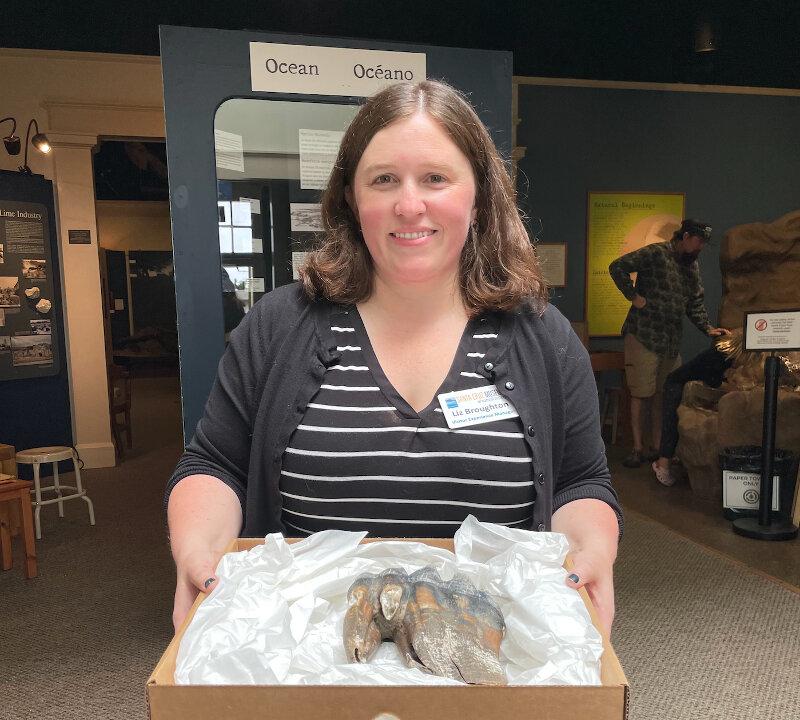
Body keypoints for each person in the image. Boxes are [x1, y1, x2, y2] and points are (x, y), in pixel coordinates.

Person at [165, 80, 622, 639]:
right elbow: (216, 467)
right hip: (309, 653)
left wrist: (593, 550)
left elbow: (580, 483)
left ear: (478, 196)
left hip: (491, 652)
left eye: (436, 177)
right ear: (352, 200)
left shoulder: (541, 338)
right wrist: (197, 552)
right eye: (384, 179)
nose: (410, 204)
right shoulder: (279, 326)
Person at [609, 219, 730, 469]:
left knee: (663, 393)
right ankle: (637, 448)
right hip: (643, 334)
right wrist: (633, 296)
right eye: (698, 242)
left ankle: (657, 446)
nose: (700, 248)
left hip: (670, 340)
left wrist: (708, 328)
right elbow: (617, 266)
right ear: (685, 237)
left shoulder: (691, 266)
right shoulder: (655, 253)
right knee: (641, 392)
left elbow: (694, 302)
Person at [651, 331, 738, 486]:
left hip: (682, 384)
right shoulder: (720, 355)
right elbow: (712, 379)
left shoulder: (721, 354)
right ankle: (662, 464)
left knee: (673, 424)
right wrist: (731, 387)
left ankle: (667, 461)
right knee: (671, 423)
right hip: (676, 384)